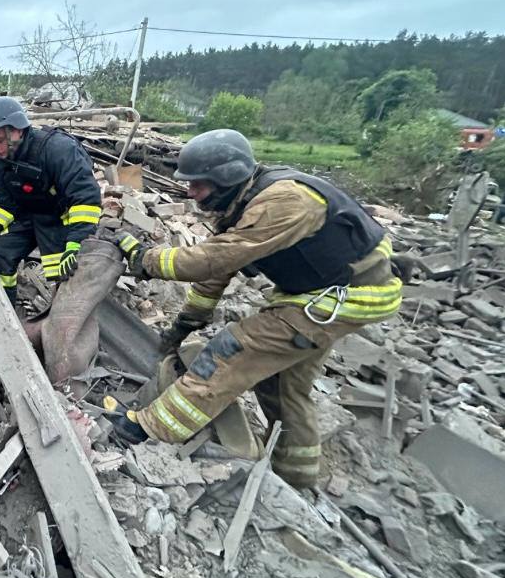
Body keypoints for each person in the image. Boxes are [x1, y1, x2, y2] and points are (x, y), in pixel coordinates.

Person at [108, 128, 402, 488]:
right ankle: (296, 475)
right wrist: (188, 321)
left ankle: (147, 429)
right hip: (324, 291)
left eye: (198, 184)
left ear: (226, 178)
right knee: (282, 384)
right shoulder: (243, 201)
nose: (189, 192)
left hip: (344, 297)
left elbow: (212, 259)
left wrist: (145, 259)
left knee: (232, 350)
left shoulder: (283, 203)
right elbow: (221, 267)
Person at [0, 96, 102, 302]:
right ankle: (3, 309)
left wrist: (76, 242)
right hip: (31, 216)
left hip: (62, 218)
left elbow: (85, 199)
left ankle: (65, 310)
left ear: (17, 130)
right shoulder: (4, 160)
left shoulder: (58, 149)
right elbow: (8, 206)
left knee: (66, 269)